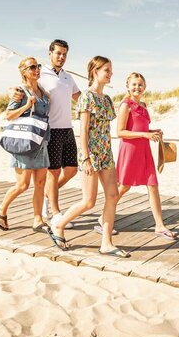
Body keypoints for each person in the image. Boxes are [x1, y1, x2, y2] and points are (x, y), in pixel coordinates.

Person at [51, 56, 128, 258]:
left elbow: (106, 130)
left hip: (105, 152)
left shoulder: (107, 99)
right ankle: (59, 226)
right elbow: (83, 131)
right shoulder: (87, 97)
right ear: (95, 71)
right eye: (107, 70)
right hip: (91, 154)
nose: (111, 74)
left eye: (111, 70)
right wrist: (85, 158)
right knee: (89, 201)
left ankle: (107, 243)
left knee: (112, 195)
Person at [0, 57, 65, 249]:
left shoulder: (42, 91)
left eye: (38, 66)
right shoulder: (20, 92)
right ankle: (1, 209)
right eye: (32, 67)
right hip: (24, 141)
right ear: (24, 71)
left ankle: (37, 219)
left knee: (40, 183)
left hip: (41, 141)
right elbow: (9, 115)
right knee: (22, 185)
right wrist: (27, 105)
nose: (36, 70)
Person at [10, 39, 81, 228]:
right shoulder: (41, 74)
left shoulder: (68, 77)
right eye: (58, 53)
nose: (61, 57)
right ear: (50, 54)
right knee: (54, 173)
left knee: (72, 170)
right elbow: (23, 85)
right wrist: (12, 91)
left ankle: (48, 195)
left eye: (64, 54)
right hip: (51, 130)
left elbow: (79, 99)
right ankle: (55, 213)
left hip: (68, 129)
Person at [115, 72, 176, 239]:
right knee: (123, 187)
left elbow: (139, 128)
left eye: (140, 84)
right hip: (130, 150)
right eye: (134, 84)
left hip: (144, 150)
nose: (137, 87)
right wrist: (145, 135)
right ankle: (102, 219)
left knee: (153, 185)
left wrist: (152, 131)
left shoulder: (143, 105)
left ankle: (159, 225)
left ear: (145, 87)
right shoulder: (125, 105)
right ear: (127, 86)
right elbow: (120, 132)